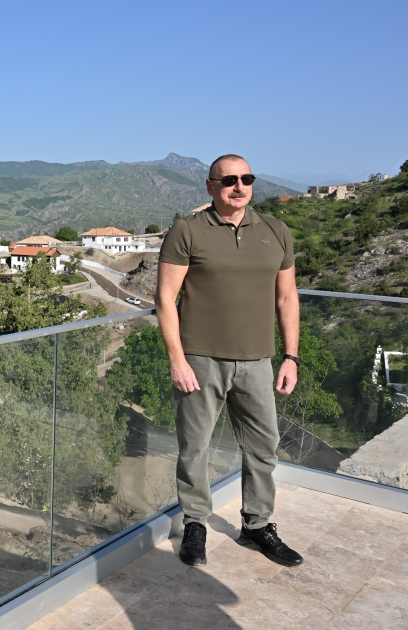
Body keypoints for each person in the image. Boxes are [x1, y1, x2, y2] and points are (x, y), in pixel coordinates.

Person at [154, 154, 304, 568]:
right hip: (200, 360)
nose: (239, 186)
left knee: (263, 446)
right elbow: (165, 298)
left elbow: (287, 298)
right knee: (194, 447)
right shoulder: (187, 231)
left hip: (258, 360)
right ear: (210, 186)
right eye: (229, 180)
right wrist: (177, 359)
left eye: (246, 179)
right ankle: (195, 524)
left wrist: (291, 357)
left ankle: (257, 525)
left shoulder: (276, 231)